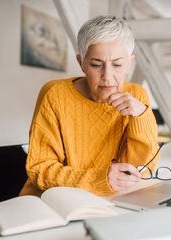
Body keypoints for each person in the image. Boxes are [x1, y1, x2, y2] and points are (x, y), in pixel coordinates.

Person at [20, 15, 159, 197]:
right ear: (81, 63)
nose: (107, 76)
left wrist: (142, 118)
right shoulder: (54, 94)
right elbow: (40, 169)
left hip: (107, 200)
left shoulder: (137, 96)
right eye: (96, 64)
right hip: (49, 200)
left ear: (130, 63)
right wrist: (98, 179)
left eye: (117, 64)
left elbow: (140, 170)